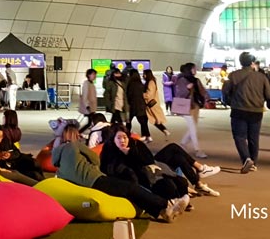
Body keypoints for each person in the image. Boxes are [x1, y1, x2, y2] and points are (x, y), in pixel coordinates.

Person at [52, 124, 187, 223]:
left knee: (128, 190)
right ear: (75, 135)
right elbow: (95, 160)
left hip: (86, 185)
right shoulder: (75, 145)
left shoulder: (59, 165)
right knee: (130, 188)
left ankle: (162, 211)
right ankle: (166, 205)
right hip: (96, 178)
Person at [100, 125, 190, 202]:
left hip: (151, 172)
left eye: (124, 137)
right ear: (113, 139)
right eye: (118, 138)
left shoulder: (135, 145)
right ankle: (172, 203)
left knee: (180, 181)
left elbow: (148, 160)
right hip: (141, 179)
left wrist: (130, 153)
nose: (122, 141)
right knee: (167, 186)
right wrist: (125, 155)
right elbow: (110, 169)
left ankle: (183, 201)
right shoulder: (110, 151)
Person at [222, 52, 270, 173]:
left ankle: (246, 159)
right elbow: (269, 95)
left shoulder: (233, 75)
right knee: (253, 138)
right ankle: (253, 163)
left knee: (239, 136)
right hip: (256, 110)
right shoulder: (261, 77)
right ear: (252, 63)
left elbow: (225, 91)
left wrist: (231, 101)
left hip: (239, 110)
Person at [175, 63, 207, 159]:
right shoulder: (182, 80)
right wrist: (187, 88)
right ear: (189, 69)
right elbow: (180, 93)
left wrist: (207, 98)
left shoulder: (196, 80)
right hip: (185, 106)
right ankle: (197, 150)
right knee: (193, 127)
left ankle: (182, 144)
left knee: (193, 127)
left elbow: (202, 91)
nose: (195, 70)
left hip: (194, 105)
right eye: (194, 68)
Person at [125, 68, 150, 141]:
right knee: (143, 122)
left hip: (133, 106)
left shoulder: (131, 84)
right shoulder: (141, 84)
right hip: (141, 106)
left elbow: (129, 95)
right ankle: (146, 135)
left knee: (128, 122)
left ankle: (127, 134)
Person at [143, 69, 170, 137]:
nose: (143, 76)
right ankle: (163, 130)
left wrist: (142, 94)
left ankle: (164, 130)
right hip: (150, 104)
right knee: (150, 120)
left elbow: (149, 94)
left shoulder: (151, 82)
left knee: (154, 120)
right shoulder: (150, 82)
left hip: (151, 104)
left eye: (144, 74)